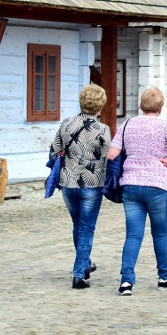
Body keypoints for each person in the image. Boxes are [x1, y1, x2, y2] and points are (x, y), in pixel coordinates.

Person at [108, 86, 167, 296]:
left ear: (140, 106)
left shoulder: (127, 124)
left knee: (133, 235)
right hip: (157, 186)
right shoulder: (165, 126)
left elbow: (111, 154)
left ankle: (126, 282)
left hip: (130, 185)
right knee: (161, 233)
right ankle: (165, 277)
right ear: (161, 107)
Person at [48, 84, 111, 289]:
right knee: (86, 228)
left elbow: (54, 150)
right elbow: (106, 157)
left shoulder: (67, 124)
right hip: (91, 184)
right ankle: (79, 275)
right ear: (100, 106)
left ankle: (85, 264)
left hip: (68, 182)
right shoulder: (102, 129)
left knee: (78, 226)